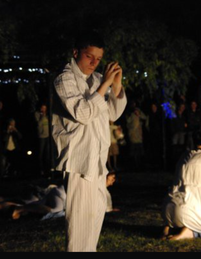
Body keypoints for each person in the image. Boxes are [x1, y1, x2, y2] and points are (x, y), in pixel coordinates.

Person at [52, 32, 127, 252]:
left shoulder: (95, 79)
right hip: (78, 161)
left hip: (97, 161)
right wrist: (104, 85)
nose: (94, 63)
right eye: (89, 56)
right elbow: (83, 113)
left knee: (94, 219)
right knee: (79, 226)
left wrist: (116, 85)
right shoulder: (64, 79)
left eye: (98, 59)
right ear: (76, 53)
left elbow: (113, 113)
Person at [127, 101, 147, 170]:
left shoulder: (140, 114)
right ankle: (134, 164)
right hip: (133, 135)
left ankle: (140, 164)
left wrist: (139, 115)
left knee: (140, 150)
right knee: (134, 150)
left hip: (139, 135)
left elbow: (145, 118)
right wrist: (132, 128)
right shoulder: (131, 115)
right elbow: (128, 124)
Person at [35, 104, 50, 175]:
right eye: (42, 108)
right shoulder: (37, 114)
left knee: (47, 153)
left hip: (47, 136)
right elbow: (38, 123)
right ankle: (40, 170)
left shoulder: (47, 114)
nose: (43, 109)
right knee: (40, 154)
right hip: (41, 136)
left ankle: (47, 169)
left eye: (45, 108)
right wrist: (42, 116)